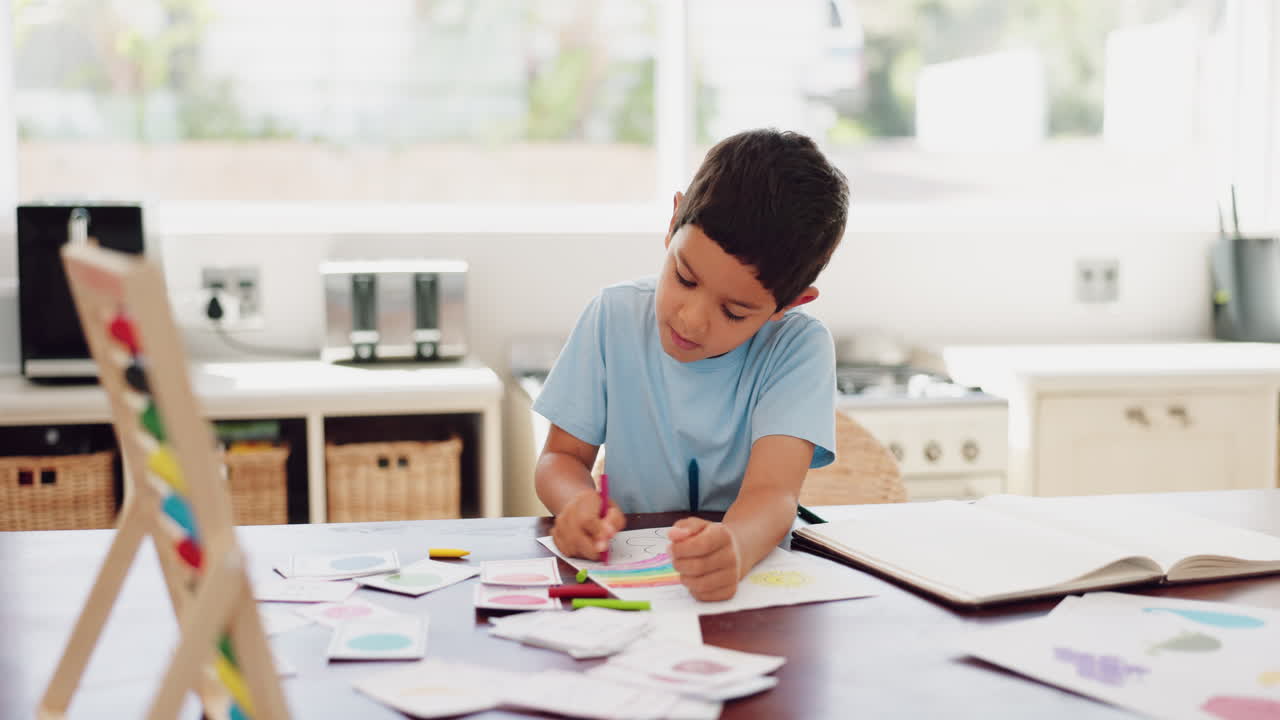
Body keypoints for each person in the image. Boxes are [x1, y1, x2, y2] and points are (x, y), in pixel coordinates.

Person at [533, 128, 849, 601]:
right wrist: (576, 503)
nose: (691, 319)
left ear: (789, 304)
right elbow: (560, 458)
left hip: (749, 591)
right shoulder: (613, 316)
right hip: (625, 584)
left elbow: (773, 494)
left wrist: (735, 547)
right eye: (684, 276)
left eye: (734, 312)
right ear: (674, 219)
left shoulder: (798, 347)